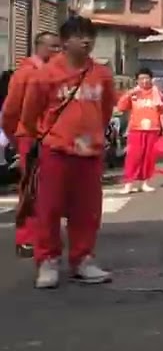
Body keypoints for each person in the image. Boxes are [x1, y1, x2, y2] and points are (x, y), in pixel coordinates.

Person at [19, 15, 115, 289]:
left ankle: (82, 259)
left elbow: (107, 109)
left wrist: (94, 134)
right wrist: (45, 136)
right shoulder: (46, 74)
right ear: (64, 42)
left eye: (90, 36)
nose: (86, 41)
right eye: (78, 36)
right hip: (56, 151)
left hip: (90, 154)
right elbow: (29, 114)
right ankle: (47, 261)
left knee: (87, 211)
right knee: (49, 209)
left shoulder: (102, 74)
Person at [0, 31, 61, 258]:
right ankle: (26, 238)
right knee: (31, 191)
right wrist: (19, 141)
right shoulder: (25, 74)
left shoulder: (57, 74)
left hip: (54, 139)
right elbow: (10, 113)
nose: (58, 52)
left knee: (50, 193)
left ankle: (45, 238)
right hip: (31, 140)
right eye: (53, 47)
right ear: (40, 47)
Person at [117, 68, 163, 193]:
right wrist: (129, 93)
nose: (144, 81)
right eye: (141, 79)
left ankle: (145, 183)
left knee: (149, 157)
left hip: (153, 129)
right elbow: (121, 107)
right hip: (136, 129)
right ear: (137, 80)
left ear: (151, 79)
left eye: (147, 78)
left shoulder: (157, 94)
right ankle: (128, 184)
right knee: (133, 157)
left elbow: (162, 113)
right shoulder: (134, 94)